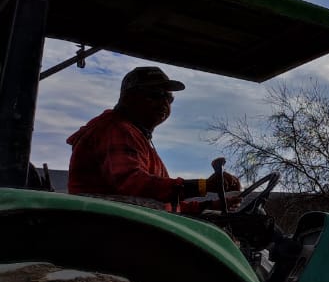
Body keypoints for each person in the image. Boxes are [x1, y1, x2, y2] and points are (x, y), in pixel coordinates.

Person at [67, 65, 240, 211]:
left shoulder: (135, 135)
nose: (164, 103)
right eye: (155, 95)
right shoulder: (115, 130)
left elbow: (160, 206)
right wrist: (203, 186)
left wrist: (211, 206)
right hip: (109, 234)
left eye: (169, 98)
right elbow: (133, 186)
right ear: (129, 97)